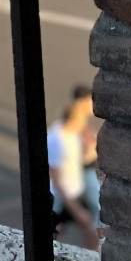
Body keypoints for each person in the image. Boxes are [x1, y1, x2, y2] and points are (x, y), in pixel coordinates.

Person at [48, 86, 102, 249]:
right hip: (60, 200)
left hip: (75, 192)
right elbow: (57, 181)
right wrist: (77, 210)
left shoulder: (77, 130)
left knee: (93, 229)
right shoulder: (57, 139)